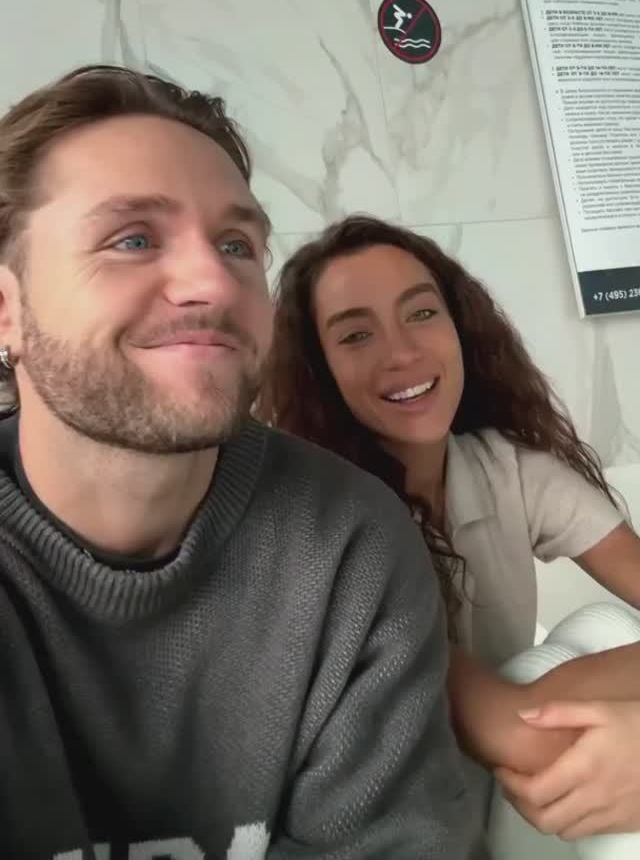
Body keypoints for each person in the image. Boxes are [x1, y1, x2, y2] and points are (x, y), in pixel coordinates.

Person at [0, 68, 485, 860]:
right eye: (133, 239)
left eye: (236, 245)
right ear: (6, 309)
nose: (213, 282)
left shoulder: (351, 542)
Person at [259, 213, 640, 839]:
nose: (403, 352)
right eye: (356, 335)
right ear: (320, 369)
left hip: (500, 776)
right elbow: (519, 726)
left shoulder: (508, 471)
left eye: (421, 313)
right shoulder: (330, 528)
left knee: (601, 627)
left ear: (460, 326)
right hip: (398, 827)